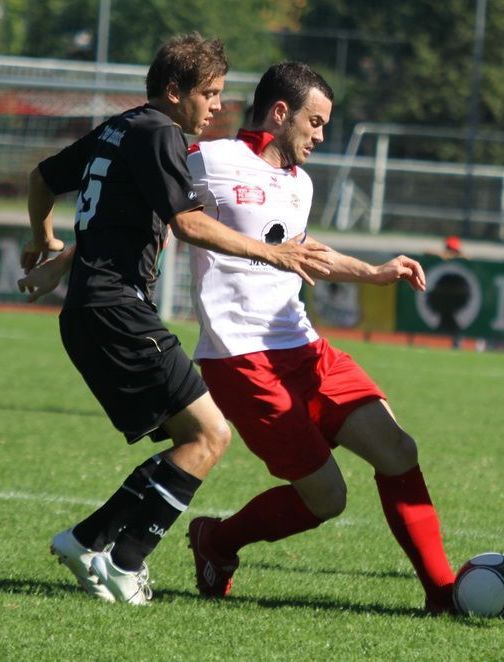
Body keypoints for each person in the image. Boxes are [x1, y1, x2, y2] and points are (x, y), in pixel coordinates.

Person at [17, 34, 332, 605]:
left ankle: (87, 540)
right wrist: (274, 253)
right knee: (210, 435)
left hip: (92, 311)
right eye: (209, 94)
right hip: (119, 310)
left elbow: (43, 179)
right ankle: (123, 561)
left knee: (194, 436)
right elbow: (188, 224)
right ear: (173, 91)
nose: (217, 106)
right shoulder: (162, 133)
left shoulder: (121, 128)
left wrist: (45, 243)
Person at [181, 61, 458, 613]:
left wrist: (374, 271)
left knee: (398, 449)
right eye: (316, 122)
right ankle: (217, 540)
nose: (322, 136)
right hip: (242, 358)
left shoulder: (300, 183)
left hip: (306, 348)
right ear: (280, 113)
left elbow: (307, 253)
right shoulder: (209, 159)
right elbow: (153, 208)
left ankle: (442, 595)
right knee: (328, 498)